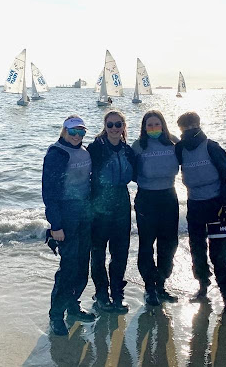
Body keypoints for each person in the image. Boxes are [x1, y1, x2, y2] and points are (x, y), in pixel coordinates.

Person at [175, 111, 226, 316]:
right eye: (185, 129)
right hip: (194, 205)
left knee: (220, 253)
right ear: (181, 130)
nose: (190, 131)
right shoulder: (180, 149)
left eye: (193, 127)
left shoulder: (212, 147)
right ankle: (202, 286)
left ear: (199, 125)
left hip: (216, 206)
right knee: (197, 249)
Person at [42, 115, 95, 336]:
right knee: (68, 268)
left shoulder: (84, 151)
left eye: (81, 132)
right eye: (73, 131)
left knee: (83, 265)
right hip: (66, 215)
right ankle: (56, 315)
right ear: (64, 131)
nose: (77, 136)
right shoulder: (56, 154)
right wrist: (55, 225)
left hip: (85, 214)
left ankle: (73, 305)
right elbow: (49, 192)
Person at [88, 110, 135, 313]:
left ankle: (117, 292)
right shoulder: (94, 148)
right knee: (98, 253)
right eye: (110, 125)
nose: (114, 128)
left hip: (122, 203)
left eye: (118, 125)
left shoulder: (128, 150)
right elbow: (79, 173)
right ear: (105, 127)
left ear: (124, 127)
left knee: (120, 252)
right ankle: (101, 294)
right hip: (99, 204)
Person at [131, 110, 180, 306]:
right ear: (144, 127)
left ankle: (161, 284)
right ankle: (149, 287)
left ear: (163, 125)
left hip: (169, 196)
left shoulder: (173, 141)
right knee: (146, 245)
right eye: (149, 125)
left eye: (156, 124)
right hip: (146, 198)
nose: (153, 128)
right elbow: (131, 172)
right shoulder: (138, 145)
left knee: (169, 244)